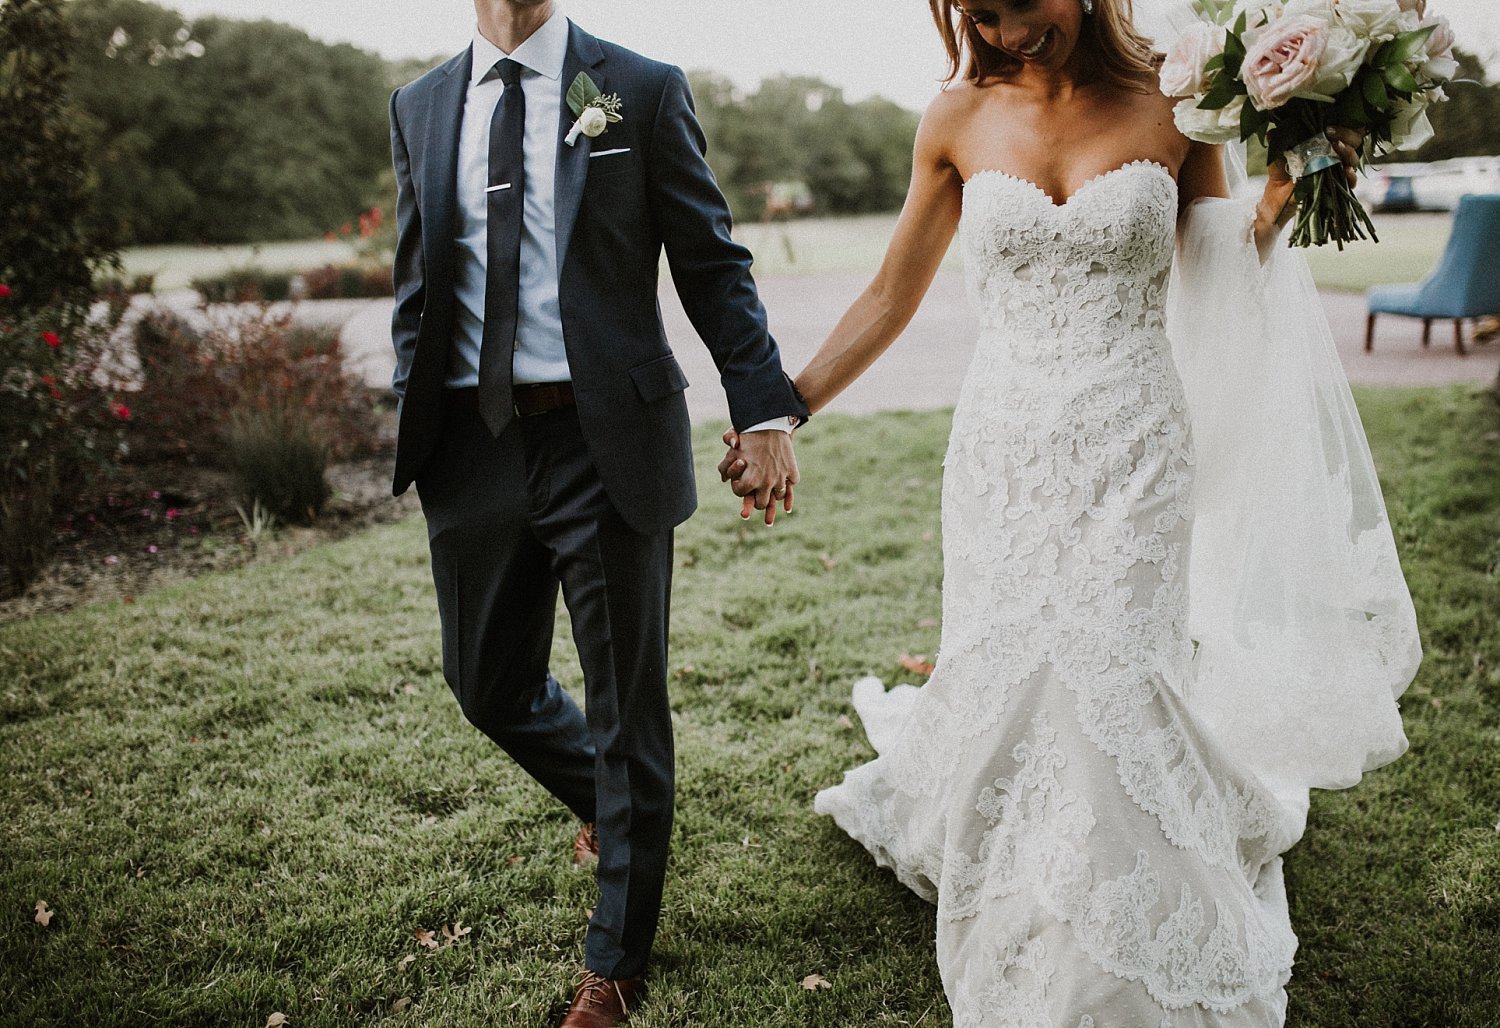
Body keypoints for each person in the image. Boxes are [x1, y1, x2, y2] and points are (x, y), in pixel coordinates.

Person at [721, 0, 1420, 1022]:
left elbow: (1222, 258)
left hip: (1137, 439)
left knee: (1116, 667)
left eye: (1022, 3)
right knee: (1018, 664)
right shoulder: (954, 116)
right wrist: (785, 407)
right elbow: (890, 293)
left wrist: (1303, 174)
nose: (1009, 30)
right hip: (1005, 449)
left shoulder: (1178, 98)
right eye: (981, 14)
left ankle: (1114, 908)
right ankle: (1017, 853)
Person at [386, 1, 807, 1023]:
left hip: (606, 437)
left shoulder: (640, 88)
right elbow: (417, 275)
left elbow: (711, 263)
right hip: (472, 445)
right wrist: (414, 399)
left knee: (627, 704)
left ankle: (615, 962)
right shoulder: (421, 105)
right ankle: (621, 816)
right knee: (485, 682)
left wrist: (764, 410)